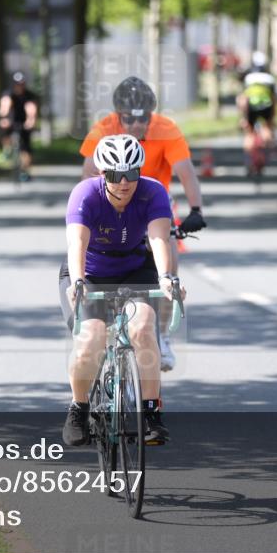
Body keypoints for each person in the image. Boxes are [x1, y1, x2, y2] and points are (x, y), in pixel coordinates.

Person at [60, 134, 185, 446]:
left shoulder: (152, 191)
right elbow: (77, 243)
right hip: (89, 272)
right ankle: (78, 408)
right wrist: (78, 282)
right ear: (102, 173)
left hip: (134, 269)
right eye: (116, 175)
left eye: (131, 173)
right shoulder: (85, 194)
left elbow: (158, 238)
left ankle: (151, 412)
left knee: (143, 326)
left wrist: (166, 277)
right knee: (91, 338)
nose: (125, 182)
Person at [80, 76, 206, 372]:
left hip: (153, 205)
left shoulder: (166, 129)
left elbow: (185, 171)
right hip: (112, 202)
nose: (137, 125)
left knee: (167, 258)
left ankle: (161, 335)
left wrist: (196, 209)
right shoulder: (103, 129)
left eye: (144, 118)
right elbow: (87, 176)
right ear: (118, 115)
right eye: (129, 118)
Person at [0, 71, 39, 181]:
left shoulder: (29, 95)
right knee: (5, 129)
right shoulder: (8, 94)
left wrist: (31, 121)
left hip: (24, 123)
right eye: (17, 84)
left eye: (21, 84)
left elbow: (31, 109)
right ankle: (7, 150)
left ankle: (25, 171)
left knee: (26, 149)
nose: (20, 86)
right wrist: (4, 117)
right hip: (11, 121)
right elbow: (4, 106)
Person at [238, 71, 277, 168]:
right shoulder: (269, 78)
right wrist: (272, 119)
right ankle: (267, 148)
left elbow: (243, 100)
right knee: (267, 127)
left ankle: (248, 158)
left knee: (249, 133)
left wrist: (243, 117)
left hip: (251, 107)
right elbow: (273, 99)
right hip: (266, 106)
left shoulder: (249, 78)